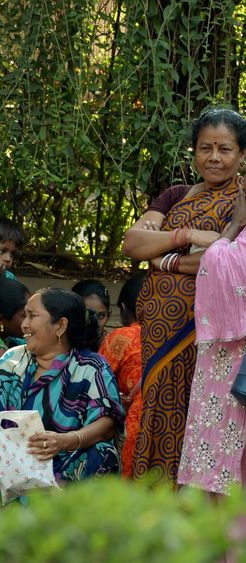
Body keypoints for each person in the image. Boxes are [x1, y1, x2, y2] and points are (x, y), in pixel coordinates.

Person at [122, 108, 246, 482]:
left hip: (211, 337)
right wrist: (186, 236)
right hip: (160, 333)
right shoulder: (177, 195)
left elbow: (225, 261)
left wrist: (163, 261)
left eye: (225, 149)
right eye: (205, 148)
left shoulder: (242, 203)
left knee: (204, 419)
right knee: (160, 410)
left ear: (242, 155)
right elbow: (132, 242)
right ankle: (154, 505)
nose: (214, 157)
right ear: (193, 152)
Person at [0, 288, 124, 492]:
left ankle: (52, 509)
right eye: (24, 315)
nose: (24, 324)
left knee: (102, 453)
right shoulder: (13, 359)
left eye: (32, 316)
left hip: (66, 456)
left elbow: (107, 423)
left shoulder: (91, 367)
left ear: (61, 326)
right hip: (12, 456)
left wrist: (64, 441)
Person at [178, 187, 246, 494]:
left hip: (232, 364)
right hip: (225, 367)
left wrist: (232, 226)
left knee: (222, 462)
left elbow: (218, 266)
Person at [98, 274, 145, 478]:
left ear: (125, 308)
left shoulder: (121, 337)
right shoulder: (179, 337)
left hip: (135, 422)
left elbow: (97, 381)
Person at [71, 279, 111, 349]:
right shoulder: (62, 347)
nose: (95, 322)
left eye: (101, 316)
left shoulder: (114, 348)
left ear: (108, 315)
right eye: (88, 315)